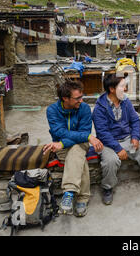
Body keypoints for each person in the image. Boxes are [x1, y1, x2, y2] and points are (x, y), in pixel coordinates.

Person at [92, 74, 140, 205]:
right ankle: (108, 188)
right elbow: (102, 133)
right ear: (112, 89)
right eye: (122, 86)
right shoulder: (99, 108)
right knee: (110, 161)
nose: (125, 89)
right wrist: (118, 149)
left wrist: (135, 137)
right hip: (108, 143)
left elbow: (135, 120)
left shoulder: (125, 101)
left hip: (128, 138)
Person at [43, 80, 103, 217]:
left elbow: (84, 132)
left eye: (81, 97)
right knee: (79, 159)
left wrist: (64, 143)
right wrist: (88, 137)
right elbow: (59, 132)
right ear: (65, 98)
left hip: (72, 144)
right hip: (62, 147)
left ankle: (69, 193)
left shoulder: (85, 108)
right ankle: (82, 198)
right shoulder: (52, 110)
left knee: (77, 149)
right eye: (77, 98)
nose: (81, 101)